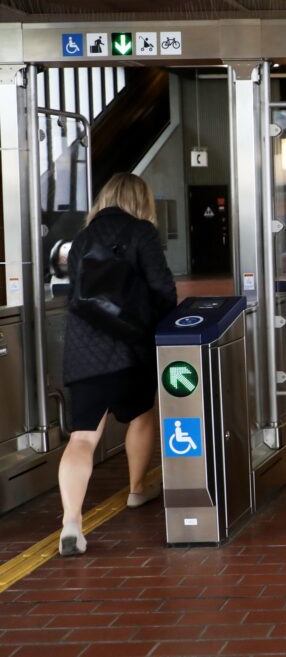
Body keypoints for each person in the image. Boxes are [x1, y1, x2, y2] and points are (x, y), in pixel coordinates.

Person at [59, 173, 177, 556]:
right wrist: (158, 321)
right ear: (141, 200)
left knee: (82, 438)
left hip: (83, 351)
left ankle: (71, 522)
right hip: (129, 348)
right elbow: (162, 288)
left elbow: (77, 293)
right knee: (141, 416)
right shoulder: (141, 232)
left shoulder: (81, 238)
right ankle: (137, 489)